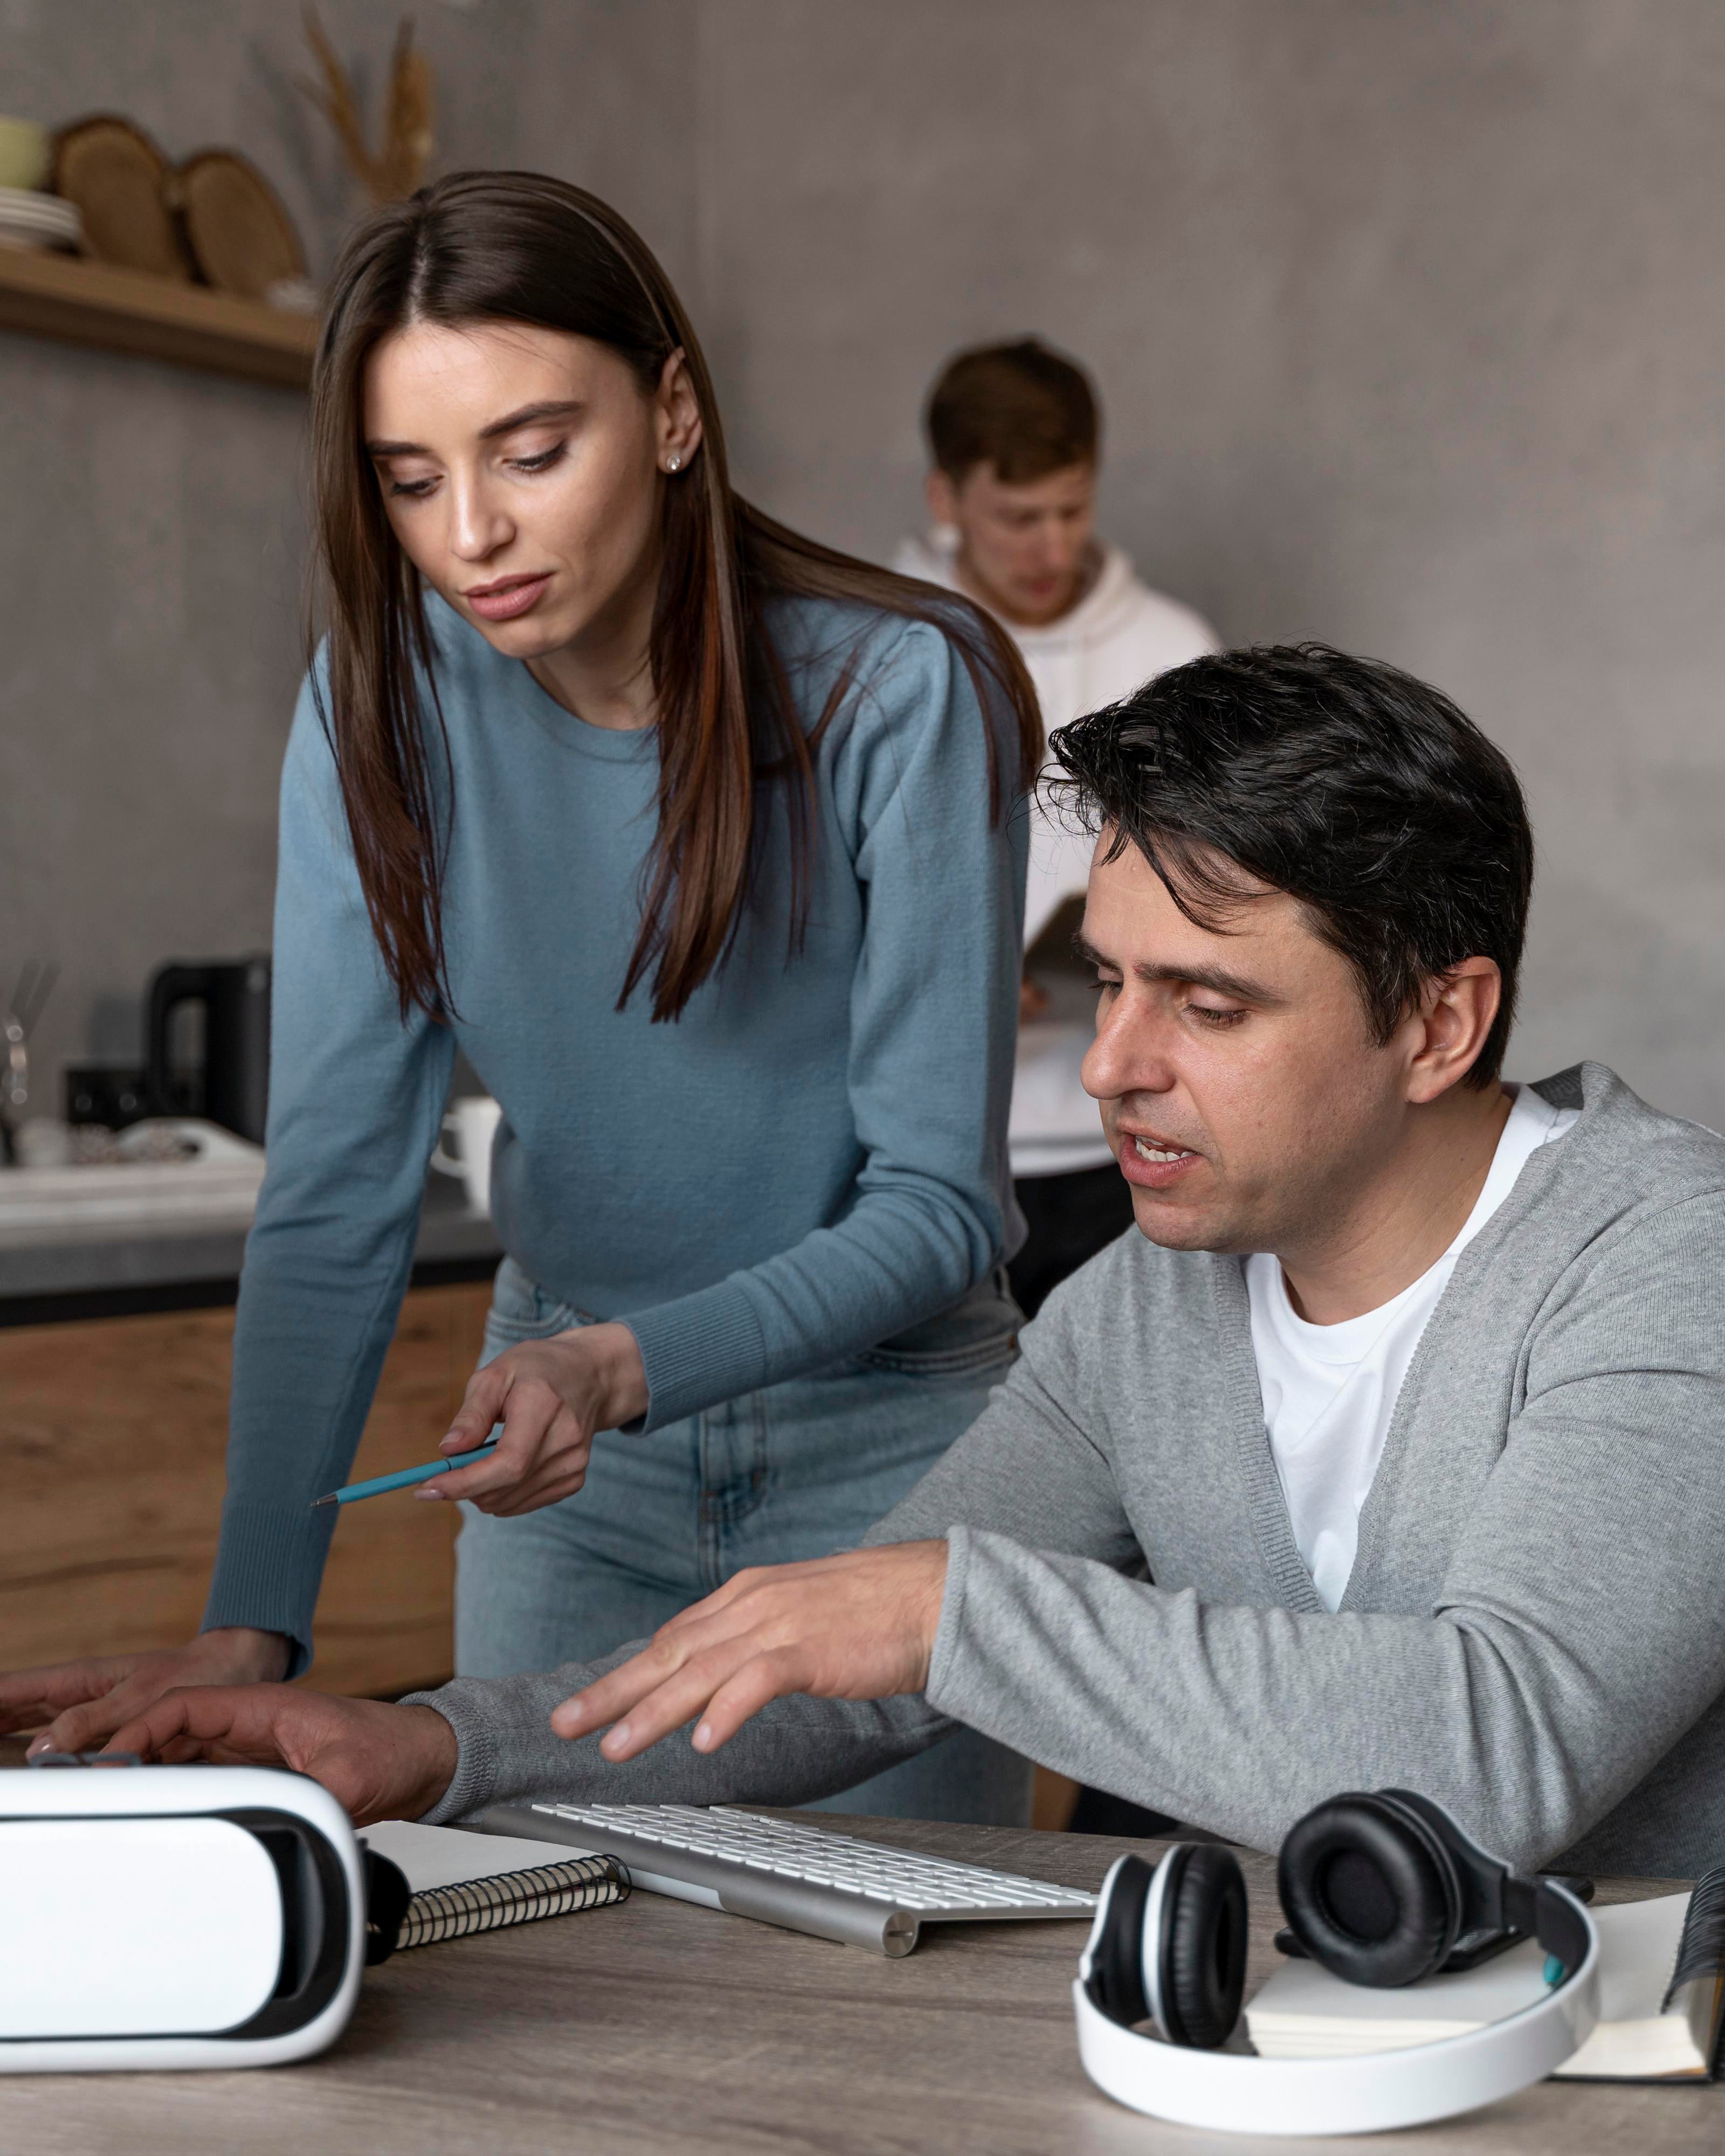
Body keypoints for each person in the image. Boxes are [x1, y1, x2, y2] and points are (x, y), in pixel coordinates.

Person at [61, 644, 1725, 1881]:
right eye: (1111, 986)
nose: (1109, 1067)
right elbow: (829, 1669)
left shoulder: (1663, 1259)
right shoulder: (1151, 1310)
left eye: (1207, 1007)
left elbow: (1499, 1752)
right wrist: (429, 1742)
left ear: (1443, 1019)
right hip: (1319, 2060)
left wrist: (957, 1606)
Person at [0, 170, 1046, 1826]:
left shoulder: (900, 690)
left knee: (884, 2040)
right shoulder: (379, 704)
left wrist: (621, 1368)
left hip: (886, 1457)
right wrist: (254, 1614)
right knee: (536, 2011)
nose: (469, 535)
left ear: (675, 412)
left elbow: (938, 1208)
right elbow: (338, 1190)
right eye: (411, 480)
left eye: (531, 452)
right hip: (571, 1483)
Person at [895, 338, 1217, 1319]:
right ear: (945, 499)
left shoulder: (1177, 652)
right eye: (1018, 517)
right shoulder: (877, 650)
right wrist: (952, 978)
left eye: (1071, 510)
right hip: (927, 1147)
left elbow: (1223, 887)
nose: (1049, 547)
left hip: (1126, 1145)